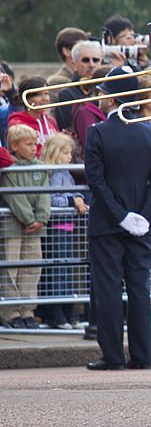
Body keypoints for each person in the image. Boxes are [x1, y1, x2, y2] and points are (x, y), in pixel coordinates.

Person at [83, 65, 151, 370]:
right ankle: (143, 356)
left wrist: (120, 216)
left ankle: (113, 356)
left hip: (107, 223)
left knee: (108, 289)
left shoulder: (98, 133)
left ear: (111, 98)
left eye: (104, 93)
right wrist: (142, 216)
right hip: (140, 226)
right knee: (139, 289)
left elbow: (96, 181)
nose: (101, 98)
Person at [0, 124, 50, 328]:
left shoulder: (41, 169)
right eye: (28, 144)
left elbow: (44, 195)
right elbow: (15, 197)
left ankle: (28, 309)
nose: (33, 148)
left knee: (31, 267)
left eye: (35, 144)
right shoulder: (9, 171)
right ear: (14, 146)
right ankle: (10, 311)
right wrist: (29, 219)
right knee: (11, 268)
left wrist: (42, 217)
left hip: (36, 228)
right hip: (13, 225)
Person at [37, 133, 87, 329]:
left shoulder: (65, 173)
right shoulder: (54, 174)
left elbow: (70, 192)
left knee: (65, 271)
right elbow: (51, 199)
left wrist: (77, 198)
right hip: (57, 228)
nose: (69, 157)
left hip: (67, 227)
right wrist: (71, 201)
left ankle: (67, 313)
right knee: (57, 271)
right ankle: (57, 315)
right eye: (65, 153)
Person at [54, 39, 104, 132]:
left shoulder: (106, 89)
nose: (91, 64)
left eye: (95, 60)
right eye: (85, 60)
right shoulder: (66, 94)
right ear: (74, 64)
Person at [8, 76, 59, 154]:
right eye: (39, 95)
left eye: (46, 94)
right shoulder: (17, 123)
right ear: (26, 98)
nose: (44, 98)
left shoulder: (50, 120)